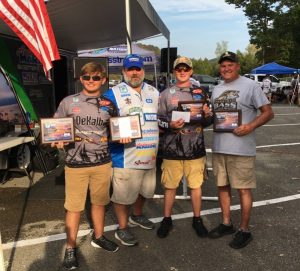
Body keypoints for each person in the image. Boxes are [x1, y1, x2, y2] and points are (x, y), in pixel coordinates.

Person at [52, 62, 119, 270]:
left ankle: (99, 236)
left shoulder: (108, 104)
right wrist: (56, 139)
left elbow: (117, 130)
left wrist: (124, 136)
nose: (91, 81)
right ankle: (70, 248)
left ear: (103, 80)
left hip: (102, 163)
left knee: (99, 203)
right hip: (75, 164)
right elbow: (54, 128)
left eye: (96, 77)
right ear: (81, 79)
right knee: (74, 208)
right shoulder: (68, 102)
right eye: (87, 77)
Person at [208, 51, 274, 249]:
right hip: (220, 147)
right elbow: (215, 115)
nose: (226, 68)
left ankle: (245, 230)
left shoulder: (251, 85)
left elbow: (268, 112)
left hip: (241, 149)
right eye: (223, 65)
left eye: (230, 65)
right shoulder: (216, 89)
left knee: (243, 189)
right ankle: (226, 223)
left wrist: (250, 126)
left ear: (237, 66)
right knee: (222, 187)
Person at [102, 54, 159, 246]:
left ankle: (137, 215)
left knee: (145, 192)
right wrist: (114, 134)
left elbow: (161, 119)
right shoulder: (113, 93)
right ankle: (122, 227)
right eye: (130, 69)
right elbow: (103, 122)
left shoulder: (154, 92)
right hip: (125, 157)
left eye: (138, 69)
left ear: (143, 70)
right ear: (123, 71)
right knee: (123, 196)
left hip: (149, 155)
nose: (134, 73)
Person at [156, 57, 213, 238]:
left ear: (191, 71)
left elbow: (208, 121)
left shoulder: (200, 92)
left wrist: (207, 115)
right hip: (172, 150)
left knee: (196, 187)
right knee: (170, 187)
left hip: (195, 149)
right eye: (179, 69)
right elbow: (158, 121)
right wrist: (170, 126)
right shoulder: (165, 94)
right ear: (174, 71)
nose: (182, 71)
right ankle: (167, 219)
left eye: (185, 69)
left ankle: (197, 219)